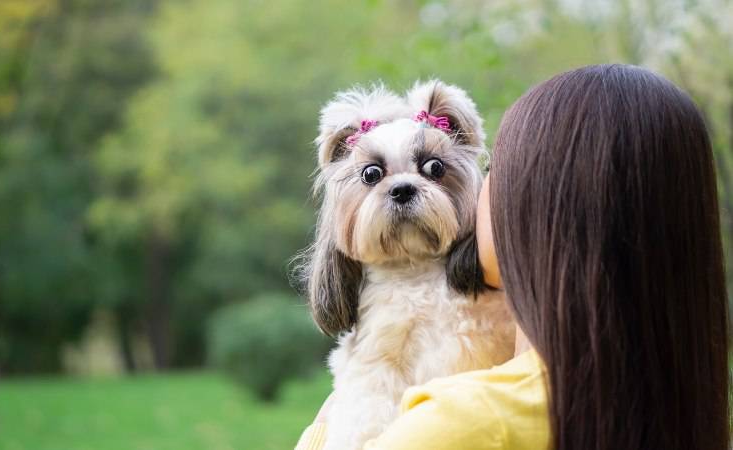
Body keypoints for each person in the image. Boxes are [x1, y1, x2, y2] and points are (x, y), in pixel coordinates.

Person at [295, 64, 730, 450]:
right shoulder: (680, 405)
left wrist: (320, 429)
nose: (483, 189)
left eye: (497, 169)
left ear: (551, 210)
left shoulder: (464, 425)